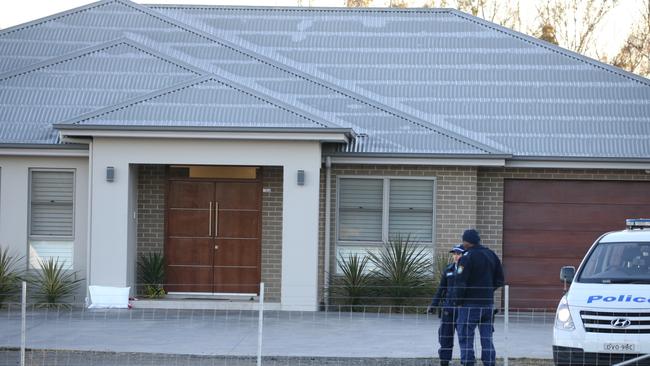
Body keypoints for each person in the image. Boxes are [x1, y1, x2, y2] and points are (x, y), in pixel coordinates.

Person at [454, 229, 504, 366]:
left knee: (465, 336)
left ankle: (468, 362)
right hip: (488, 305)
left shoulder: (466, 257)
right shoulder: (491, 255)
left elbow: (460, 281)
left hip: (470, 305)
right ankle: (489, 362)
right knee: (487, 337)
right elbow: (500, 280)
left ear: (466, 241)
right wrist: (488, 291)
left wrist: (458, 301)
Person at [428, 244, 465, 366]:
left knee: (464, 336)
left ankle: (466, 361)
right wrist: (433, 304)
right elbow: (441, 289)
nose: (456, 256)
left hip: (463, 309)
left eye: (458, 253)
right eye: (454, 253)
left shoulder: (468, 270)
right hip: (448, 308)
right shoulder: (448, 269)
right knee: (445, 336)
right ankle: (444, 361)